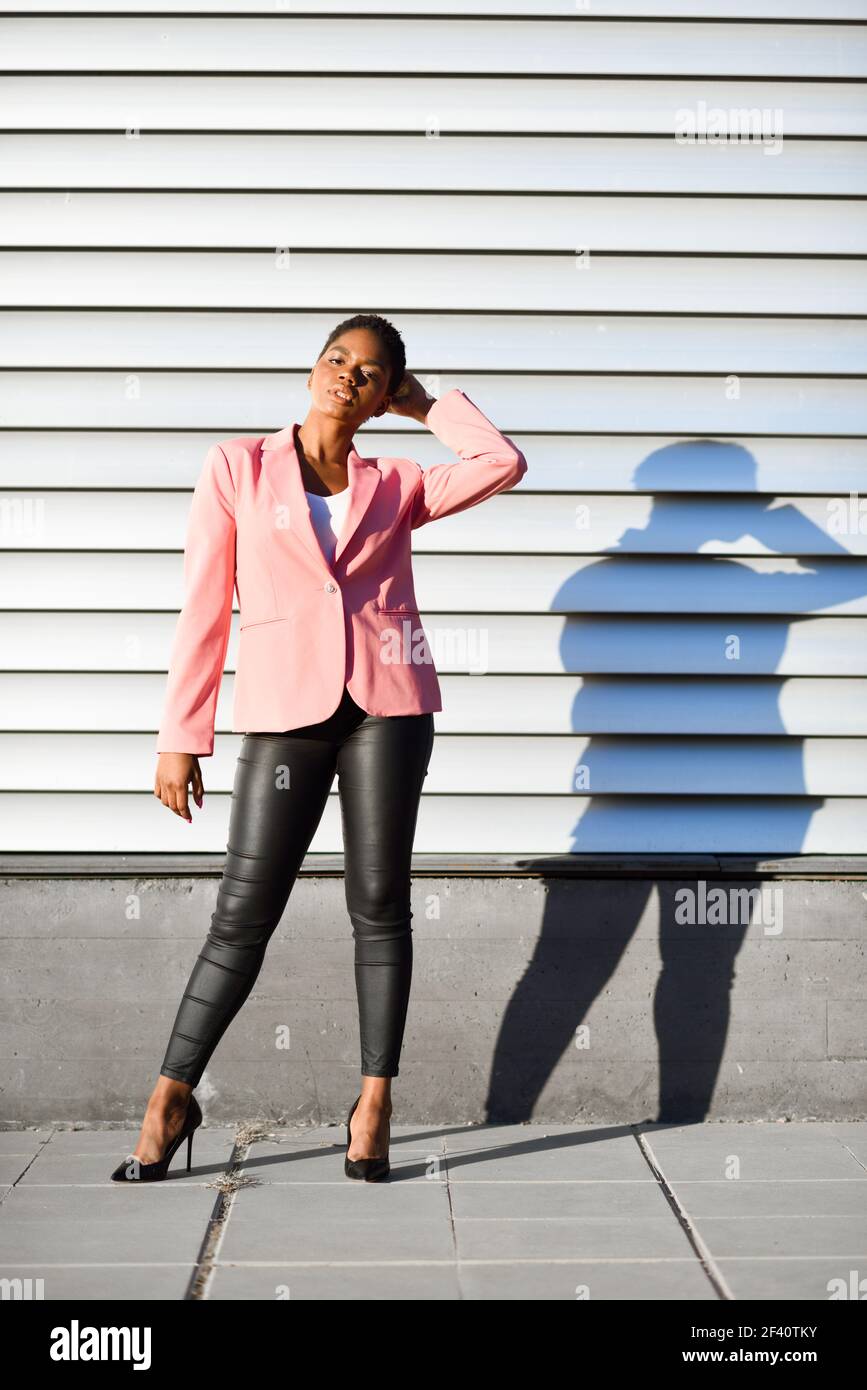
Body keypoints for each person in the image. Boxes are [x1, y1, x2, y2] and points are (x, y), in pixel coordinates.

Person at [111, 313, 527, 1184]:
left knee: (380, 907)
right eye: (338, 359)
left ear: (383, 396)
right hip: (284, 714)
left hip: (388, 710)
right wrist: (180, 737)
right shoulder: (237, 467)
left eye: (371, 372)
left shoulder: (398, 480)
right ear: (311, 370)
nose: (349, 376)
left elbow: (501, 464)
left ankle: (374, 1103)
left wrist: (425, 406)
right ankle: (172, 1095)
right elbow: (203, 606)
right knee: (241, 915)